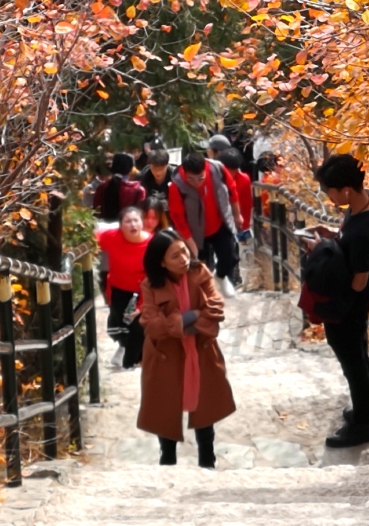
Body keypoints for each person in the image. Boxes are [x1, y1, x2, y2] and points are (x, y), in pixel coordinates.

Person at [136, 230, 235, 467]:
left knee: (204, 405)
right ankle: (168, 461)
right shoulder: (150, 285)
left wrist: (183, 323)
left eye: (184, 251)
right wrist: (194, 317)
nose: (183, 259)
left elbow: (215, 308)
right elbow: (152, 324)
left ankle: (207, 461)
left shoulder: (199, 272)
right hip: (165, 354)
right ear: (161, 262)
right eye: (175, 256)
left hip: (200, 348)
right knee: (166, 407)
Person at [313, 153, 369, 448]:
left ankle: (363, 425)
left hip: (348, 308)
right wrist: (333, 239)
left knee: (352, 363)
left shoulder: (362, 229)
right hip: (353, 308)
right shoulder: (368, 203)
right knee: (359, 358)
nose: (327, 196)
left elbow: (359, 280)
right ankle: (363, 411)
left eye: (329, 190)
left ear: (345, 190)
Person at [167, 145, 240, 293]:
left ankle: (220, 277)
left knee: (230, 256)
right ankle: (206, 294)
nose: (196, 182)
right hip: (195, 232)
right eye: (191, 179)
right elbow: (177, 216)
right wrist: (189, 241)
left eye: (200, 178)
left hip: (220, 223)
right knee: (200, 266)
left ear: (205, 168)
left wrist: (237, 214)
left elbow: (232, 189)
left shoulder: (217, 169)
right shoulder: (176, 185)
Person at [97, 204, 150, 367]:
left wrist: (142, 304)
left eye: (136, 220)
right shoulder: (111, 236)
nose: (133, 225)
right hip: (118, 288)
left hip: (143, 290)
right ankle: (125, 348)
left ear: (142, 223)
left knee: (137, 324)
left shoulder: (151, 243)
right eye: (128, 221)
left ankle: (132, 358)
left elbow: (153, 276)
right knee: (117, 324)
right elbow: (91, 241)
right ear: (120, 224)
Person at [208, 135, 253, 276]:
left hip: (233, 220)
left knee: (233, 253)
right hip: (214, 221)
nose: (230, 174)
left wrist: (243, 229)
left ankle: (233, 275)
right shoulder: (212, 176)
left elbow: (246, 205)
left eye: (233, 170)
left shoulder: (244, 180)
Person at [92, 152, 145, 224]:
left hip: (104, 230)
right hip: (129, 231)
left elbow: (96, 213)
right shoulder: (138, 190)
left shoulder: (101, 187)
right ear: (131, 169)